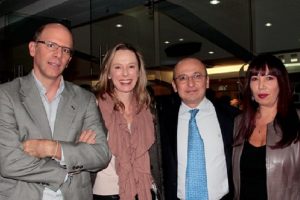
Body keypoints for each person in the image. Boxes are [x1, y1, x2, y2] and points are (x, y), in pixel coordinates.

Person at [0, 23, 111, 200]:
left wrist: (53, 148)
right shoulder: (6, 95)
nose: (58, 54)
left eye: (66, 50)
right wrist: (68, 168)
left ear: (69, 60)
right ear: (32, 48)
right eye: (51, 45)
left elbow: (101, 155)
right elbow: (9, 162)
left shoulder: (85, 99)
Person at [157, 57, 239, 200]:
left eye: (197, 76)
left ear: (207, 81)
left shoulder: (232, 118)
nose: (191, 83)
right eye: (183, 78)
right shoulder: (162, 120)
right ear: (174, 86)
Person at [93, 43, 161, 200]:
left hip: (144, 191)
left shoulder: (148, 108)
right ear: (108, 73)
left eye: (131, 66)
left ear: (138, 72)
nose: (125, 73)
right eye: (117, 67)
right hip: (107, 194)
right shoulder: (94, 107)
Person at [232, 54, 300, 200]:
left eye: (269, 78)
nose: (261, 86)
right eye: (255, 78)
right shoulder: (239, 122)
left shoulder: (298, 121)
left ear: (281, 83)